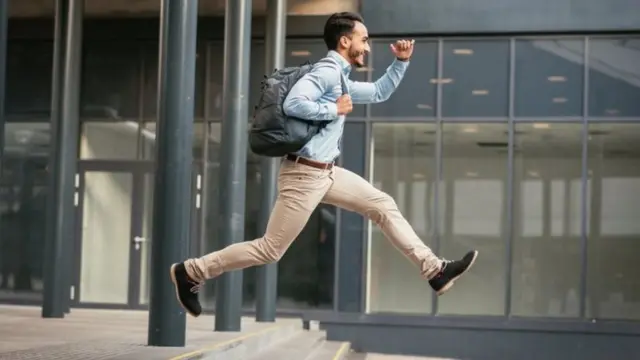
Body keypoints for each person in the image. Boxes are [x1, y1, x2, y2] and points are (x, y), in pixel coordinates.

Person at [170, 12, 478, 317]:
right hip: (304, 175)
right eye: (364, 40)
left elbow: (380, 92)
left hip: (326, 172)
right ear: (345, 41)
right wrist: (333, 108)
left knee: (383, 206)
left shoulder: (340, 77)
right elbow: (294, 102)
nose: (368, 47)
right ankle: (192, 271)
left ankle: (435, 270)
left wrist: (401, 62)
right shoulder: (327, 73)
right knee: (269, 249)